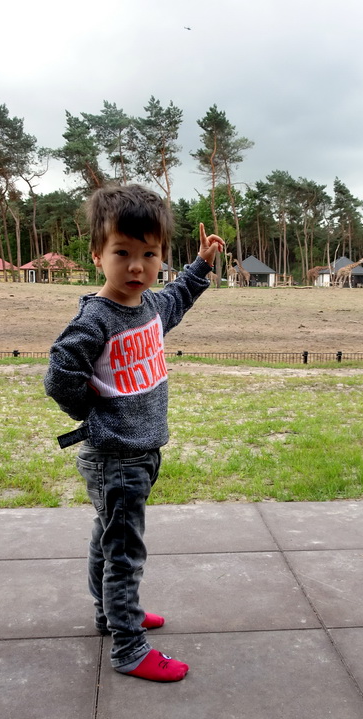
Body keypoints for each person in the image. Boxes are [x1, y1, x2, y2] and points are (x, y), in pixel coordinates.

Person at [44, 184, 224, 682]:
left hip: (141, 452)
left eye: (150, 254)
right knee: (125, 552)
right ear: (97, 254)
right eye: (123, 253)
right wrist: (91, 411)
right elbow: (61, 373)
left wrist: (203, 265)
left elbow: (180, 296)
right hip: (114, 456)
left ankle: (109, 614)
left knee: (108, 538)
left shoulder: (149, 307)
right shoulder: (96, 317)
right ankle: (129, 646)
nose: (138, 267)